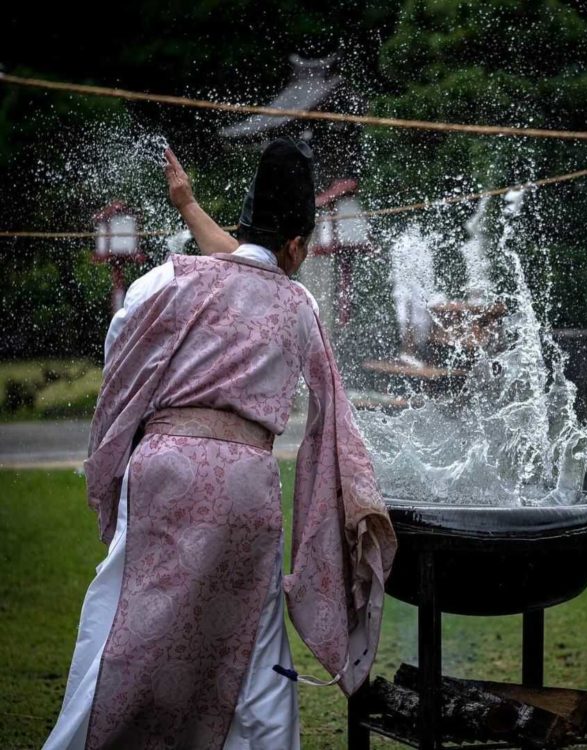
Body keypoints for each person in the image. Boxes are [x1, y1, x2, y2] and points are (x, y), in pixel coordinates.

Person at [43, 138, 396, 750]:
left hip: (164, 471)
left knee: (124, 630)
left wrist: (135, 441)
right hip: (245, 488)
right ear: (295, 246)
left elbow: (122, 357)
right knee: (255, 651)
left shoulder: (169, 280)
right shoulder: (302, 306)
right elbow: (328, 412)